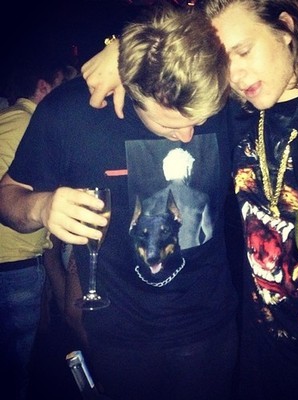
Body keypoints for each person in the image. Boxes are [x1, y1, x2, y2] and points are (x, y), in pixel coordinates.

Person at [80, 1, 298, 399]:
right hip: (261, 362)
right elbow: (162, 58)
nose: (235, 74)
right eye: (223, 60)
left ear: (285, 28)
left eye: (244, 50)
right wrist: (121, 50)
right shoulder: (229, 113)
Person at [0, 6, 244, 400]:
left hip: (212, 330)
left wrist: (119, 46)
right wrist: (41, 207)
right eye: (170, 124)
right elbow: (7, 195)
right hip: (118, 338)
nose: (187, 135)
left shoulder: (224, 96)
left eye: (199, 119)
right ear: (132, 90)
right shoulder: (71, 113)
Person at [0, 56, 69, 400]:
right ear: (44, 86)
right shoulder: (33, 124)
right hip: (15, 262)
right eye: (61, 87)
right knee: (15, 370)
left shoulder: (6, 118)